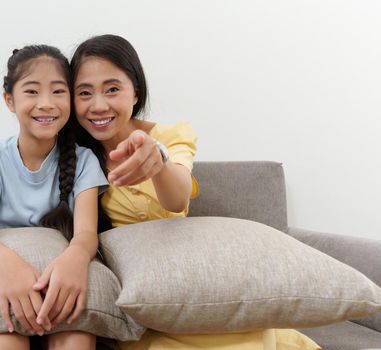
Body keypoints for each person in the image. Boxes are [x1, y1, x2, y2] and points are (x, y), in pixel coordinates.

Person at [67, 34, 320, 350]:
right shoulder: (74, 158)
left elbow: (177, 199)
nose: (98, 105)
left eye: (112, 89)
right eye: (85, 93)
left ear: (135, 92)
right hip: (135, 300)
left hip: (186, 286)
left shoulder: (171, 137)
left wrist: (157, 159)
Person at [0, 44, 107, 350]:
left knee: (76, 339)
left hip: (59, 287)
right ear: (9, 100)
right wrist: (7, 264)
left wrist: (75, 259)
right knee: (3, 343)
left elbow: (86, 234)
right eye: (31, 92)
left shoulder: (85, 161)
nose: (46, 104)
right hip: (5, 285)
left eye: (58, 91)